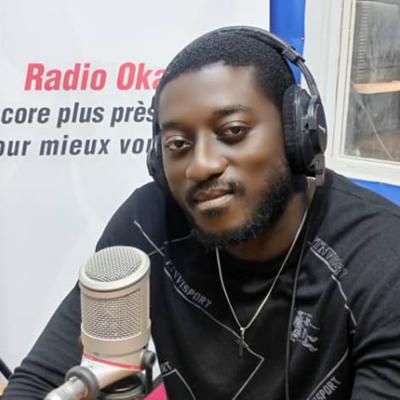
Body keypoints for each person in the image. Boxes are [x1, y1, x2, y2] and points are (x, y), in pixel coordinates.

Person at [3, 26, 400, 400]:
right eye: (178, 144)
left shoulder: (382, 262)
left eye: (233, 132)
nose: (202, 166)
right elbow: (41, 380)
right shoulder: (148, 225)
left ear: (298, 133)